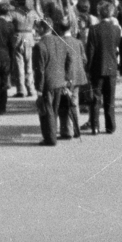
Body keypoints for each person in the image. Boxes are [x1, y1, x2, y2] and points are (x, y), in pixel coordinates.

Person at [31, 18, 74, 146]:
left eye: (38, 28)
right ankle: (52, 134)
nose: (36, 30)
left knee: (47, 111)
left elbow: (39, 70)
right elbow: (69, 60)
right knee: (54, 110)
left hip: (47, 83)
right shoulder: (60, 41)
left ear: (43, 29)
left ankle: (50, 138)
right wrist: (67, 77)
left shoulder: (40, 45)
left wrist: (38, 88)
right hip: (59, 81)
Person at [82, 6, 121, 132]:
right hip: (111, 66)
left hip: (97, 67)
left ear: (99, 14)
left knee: (96, 98)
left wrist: (87, 68)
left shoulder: (93, 29)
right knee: (110, 99)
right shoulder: (116, 29)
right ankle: (110, 126)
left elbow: (90, 50)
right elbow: (116, 46)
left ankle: (95, 126)